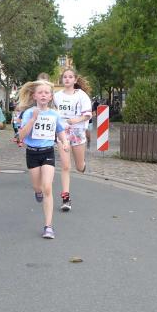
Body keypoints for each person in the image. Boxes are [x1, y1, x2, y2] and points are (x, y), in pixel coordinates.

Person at [16, 80, 69, 239]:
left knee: (47, 187)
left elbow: (60, 131)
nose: (43, 95)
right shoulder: (28, 113)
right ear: (34, 96)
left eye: (46, 93)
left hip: (48, 152)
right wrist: (33, 119)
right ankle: (37, 191)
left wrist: (65, 142)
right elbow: (21, 136)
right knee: (37, 187)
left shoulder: (54, 114)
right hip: (32, 153)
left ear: (51, 96)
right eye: (40, 92)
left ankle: (48, 227)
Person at [54, 67, 92, 212]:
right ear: (62, 79)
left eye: (70, 77)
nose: (67, 79)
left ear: (75, 80)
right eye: (65, 77)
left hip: (78, 133)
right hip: (63, 133)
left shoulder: (81, 95)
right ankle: (66, 198)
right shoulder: (57, 96)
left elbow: (88, 115)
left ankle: (82, 165)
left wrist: (77, 120)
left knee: (79, 167)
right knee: (65, 166)